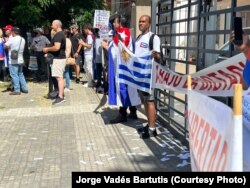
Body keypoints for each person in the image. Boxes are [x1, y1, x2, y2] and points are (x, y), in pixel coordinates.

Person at [108, 15, 140, 124]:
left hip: (123, 68)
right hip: (125, 67)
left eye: (115, 22)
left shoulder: (123, 32)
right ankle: (133, 111)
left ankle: (122, 114)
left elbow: (119, 50)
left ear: (120, 23)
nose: (113, 24)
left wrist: (106, 46)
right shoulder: (121, 33)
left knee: (123, 89)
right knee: (129, 89)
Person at [135, 15, 161, 139]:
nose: (140, 23)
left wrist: (156, 55)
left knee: (150, 100)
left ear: (149, 23)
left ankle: (152, 129)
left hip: (148, 76)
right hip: (139, 76)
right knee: (144, 100)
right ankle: (149, 123)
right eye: (140, 21)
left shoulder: (153, 38)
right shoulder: (138, 38)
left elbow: (158, 57)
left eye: (143, 21)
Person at [43, 20, 66, 105]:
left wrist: (47, 49)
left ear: (57, 25)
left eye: (52, 24)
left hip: (58, 59)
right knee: (59, 77)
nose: (51, 26)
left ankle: (60, 96)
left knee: (59, 78)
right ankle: (60, 94)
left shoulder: (58, 35)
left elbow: (56, 47)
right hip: (59, 58)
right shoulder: (61, 34)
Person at [4, 27, 28, 95]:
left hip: (13, 60)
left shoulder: (12, 39)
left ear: (13, 32)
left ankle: (17, 90)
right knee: (21, 74)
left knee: (14, 75)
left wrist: (7, 41)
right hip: (20, 59)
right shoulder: (22, 39)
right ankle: (24, 88)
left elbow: (5, 47)